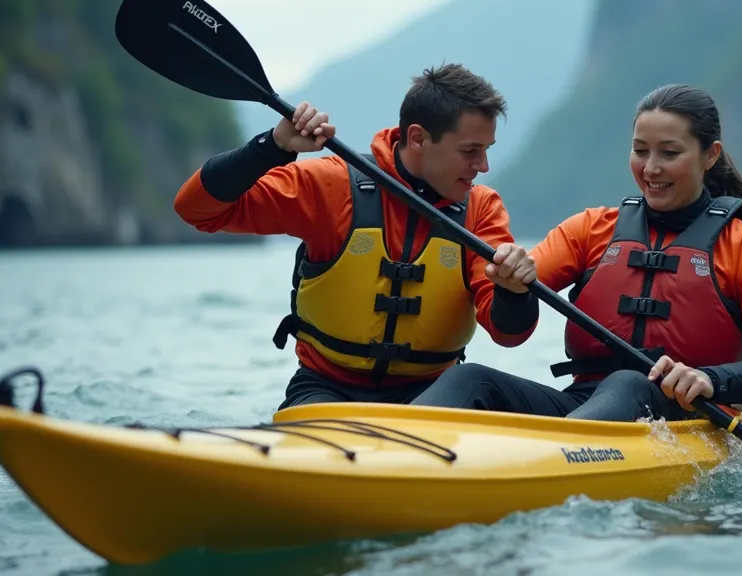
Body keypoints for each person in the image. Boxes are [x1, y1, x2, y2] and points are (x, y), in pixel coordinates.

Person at [409, 83, 742, 422]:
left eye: (669, 153)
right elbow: (507, 330)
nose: (651, 168)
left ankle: (553, 457)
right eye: (641, 151)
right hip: (584, 408)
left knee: (630, 381)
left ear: (710, 155)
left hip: (686, 417)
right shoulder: (592, 230)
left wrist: (712, 379)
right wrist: (512, 289)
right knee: (472, 379)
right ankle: (390, 447)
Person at [173, 63, 541, 409]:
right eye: (470, 151)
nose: (484, 166)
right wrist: (274, 145)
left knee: (471, 382)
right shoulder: (333, 187)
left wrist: (514, 290)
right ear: (418, 139)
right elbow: (197, 209)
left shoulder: (481, 210)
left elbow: (509, 334)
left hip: (434, 398)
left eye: (486, 151)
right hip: (326, 390)